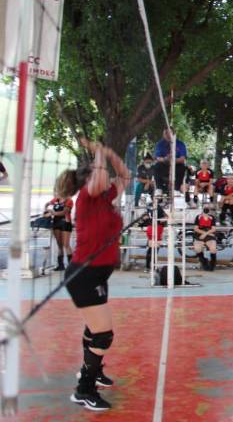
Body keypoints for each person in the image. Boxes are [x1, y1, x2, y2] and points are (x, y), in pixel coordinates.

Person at [58, 139, 130, 411]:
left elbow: (125, 175)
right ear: (89, 180)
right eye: (100, 174)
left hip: (98, 274)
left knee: (94, 329)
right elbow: (101, 174)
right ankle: (83, 391)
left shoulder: (105, 197)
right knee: (103, 335)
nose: (107, 178)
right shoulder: (87, 198)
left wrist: (110, 152)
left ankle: (93, 371)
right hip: (84, 275)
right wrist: (99, 151)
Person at [46, 189, 74, 271]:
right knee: (59, 245)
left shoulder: (69, 200)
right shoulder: (55, 200)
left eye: (57, 191)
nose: (55, 193)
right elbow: (47, 204)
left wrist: (52, 213)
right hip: (56, 223)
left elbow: (64, 212)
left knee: (66, 244)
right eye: (55, 192)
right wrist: (46, 210)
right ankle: (60, 265)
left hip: (65, 223)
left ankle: (71, 266)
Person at [153, 127, 187, 194]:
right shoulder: (160, 144)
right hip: (164, 165)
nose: (168, 135)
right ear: (163, 134)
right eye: (166, 133)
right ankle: (159, 188)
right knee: (156, 166)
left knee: (182, 167)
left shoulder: (180, 144)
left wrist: (173, 160)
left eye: (170, 133)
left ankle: (176, 189)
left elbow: (182, 158)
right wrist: (165, 159)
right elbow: (157, 157)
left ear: (174, 134)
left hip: (176, 164)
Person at [193, 204, 217, 271]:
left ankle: (213, 263)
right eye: (205, 207)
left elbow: (213, 229)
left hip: (209, 234)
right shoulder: (198, 217)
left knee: (213, 248)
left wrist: (205, 234)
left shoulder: (212, 217)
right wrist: (203, 233)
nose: (206, 208)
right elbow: (196, 229)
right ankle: (204, 261)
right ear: (202, 208)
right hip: (199, 234)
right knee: (197, 249)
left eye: (208, 207)